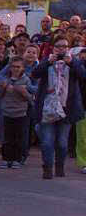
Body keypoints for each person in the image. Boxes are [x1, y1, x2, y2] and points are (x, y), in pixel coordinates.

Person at [30, 36, 85, 179]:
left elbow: (83, 75)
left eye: (65, 46)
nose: (62, 49)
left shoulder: (74, 62)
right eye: (59, 46)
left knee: (62, 142)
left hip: (66, 107)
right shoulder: (47, 60)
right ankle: (47, 167)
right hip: (48, 108)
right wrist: (48, 62)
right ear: (53, 48)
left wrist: (72, 63)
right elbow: (35, 73)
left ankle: (59, 165)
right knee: (47, 141)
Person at [0, 56, 33, 169]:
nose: (16, 69)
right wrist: (3, 88)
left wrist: (24, 92)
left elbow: (30, 99)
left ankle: (17, 159)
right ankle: (6, 159)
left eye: (18, 67)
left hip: (20, 113)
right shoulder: (5, 79)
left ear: (23, 68)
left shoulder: (26, 80)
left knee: (18, 137)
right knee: (7, 137)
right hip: (7, 112)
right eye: (13, 66)